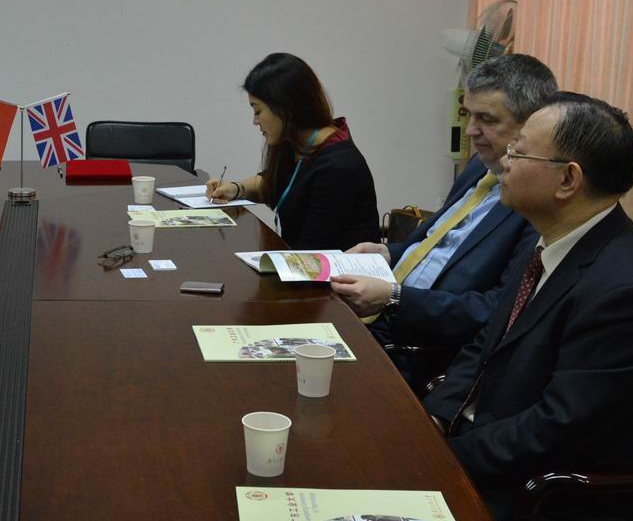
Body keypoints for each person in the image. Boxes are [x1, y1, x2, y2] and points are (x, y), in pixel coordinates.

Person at [424, 93, 633, 521]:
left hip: (548, 503)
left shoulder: (628, 292)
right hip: (493, 453)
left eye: (518, 152)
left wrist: (446, 457)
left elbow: (556, 428)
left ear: (568, 180)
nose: (503, 162)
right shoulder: (549, 243)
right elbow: (484, 347)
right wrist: (435, 420)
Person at [330, 54, 557, 391]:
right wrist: (388, 252)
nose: (471, 131)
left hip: (419, 350)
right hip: (379, 316)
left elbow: (498, 310)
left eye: (487, 119)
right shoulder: (480, 166)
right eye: (468, 115)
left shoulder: (536, 201)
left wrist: (395, 298)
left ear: (532, 124)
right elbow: (440, 242)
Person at [206, 52, 379, 250]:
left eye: (258, 111)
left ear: (285, 107)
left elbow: (311, 251)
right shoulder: (301, 144)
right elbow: (277, 183)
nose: (255, 121)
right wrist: (236, 188)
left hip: (327, 268)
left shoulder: (337, 167)